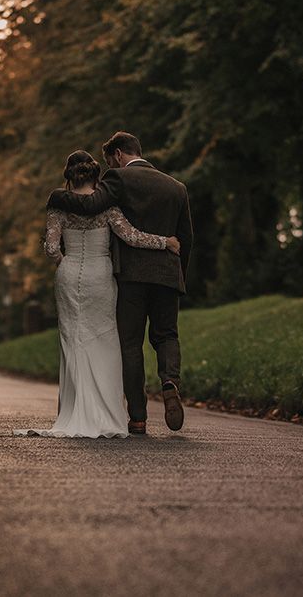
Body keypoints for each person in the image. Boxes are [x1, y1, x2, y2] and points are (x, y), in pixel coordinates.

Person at [14, 150, 180, 438]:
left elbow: (52, 248)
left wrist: (61, 261)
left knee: (72, 342)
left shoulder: (58, 207)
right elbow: (132, 236)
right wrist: (165, 242)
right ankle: (106, 413)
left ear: (69, 174)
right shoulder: (108, 208)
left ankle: (75, 411)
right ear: (95, 175)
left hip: (68, 276)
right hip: (100, 277)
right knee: (104, 340)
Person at [46, 132, 193, 434]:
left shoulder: (117, 180)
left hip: (128, 278)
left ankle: (137, 418)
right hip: (164, 273)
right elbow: (183, 238)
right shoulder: (177, 187)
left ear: (116, 154)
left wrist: (56, 198)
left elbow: (84, 211)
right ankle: (169, 381)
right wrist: (177, 270)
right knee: (166, 335)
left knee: (129, 344)